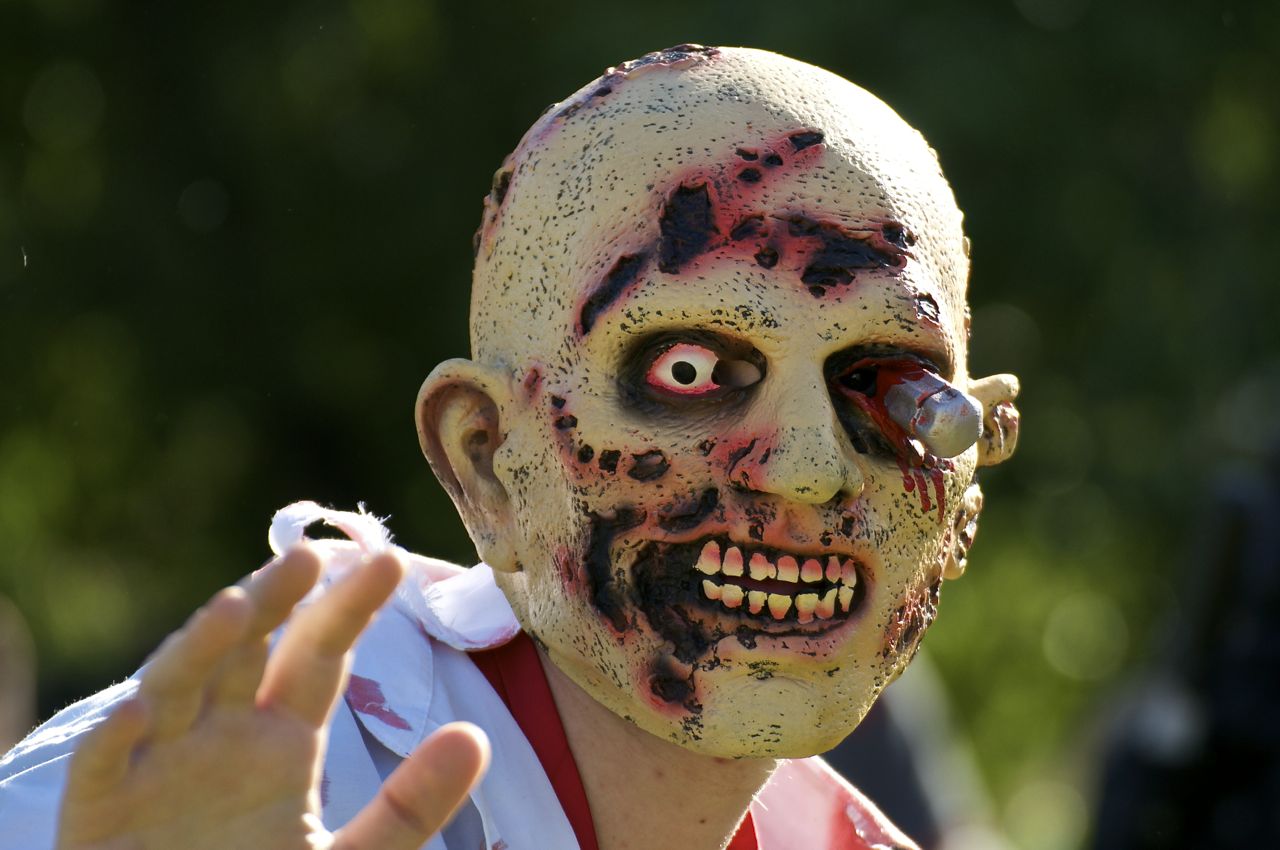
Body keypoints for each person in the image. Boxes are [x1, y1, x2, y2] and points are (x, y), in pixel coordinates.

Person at [0, 45, 1020, 849]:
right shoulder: (172, 805)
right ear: (486, 459)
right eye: (688, 372)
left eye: (888, 385)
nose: (808, 467)